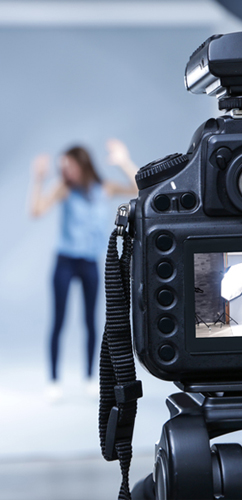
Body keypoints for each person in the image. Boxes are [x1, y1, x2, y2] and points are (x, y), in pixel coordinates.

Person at [29, 139, 138, 400]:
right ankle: (53, 380)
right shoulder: (63, 188)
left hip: (89, 262)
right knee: (59, 321)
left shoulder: (104, 188)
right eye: (62, 168)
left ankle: (90, 377)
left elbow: (138, 189)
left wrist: (124, 161)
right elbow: (36, 211)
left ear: (82, 164)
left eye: (68, 166)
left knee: (90, 321)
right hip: (65, 261)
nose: (64, 172)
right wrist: (38, 179)